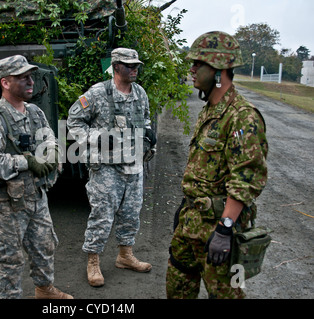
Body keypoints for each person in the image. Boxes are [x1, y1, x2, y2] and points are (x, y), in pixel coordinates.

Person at [165, 31, 268, 299]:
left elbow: (247, 178)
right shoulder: (210, 109)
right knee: (176, 288)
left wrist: (224, 229)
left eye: (199, 63)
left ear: (220, 69)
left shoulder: (242, 116)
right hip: (190, 224)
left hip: (219, 235)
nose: (192, 69)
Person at [0, 55, 72, 299]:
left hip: (37, 197)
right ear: (5, 82)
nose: (30, 81)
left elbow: (50, 138)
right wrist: (26, 161)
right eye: (23, 77)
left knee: (45, 246)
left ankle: (44, 289)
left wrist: (52, 152)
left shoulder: (35, 112)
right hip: (7, 204)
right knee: (9, 259)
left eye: (31, 76)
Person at [67, 48, 157, 287]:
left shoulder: (140, 92)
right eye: (129, 65)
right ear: (116, 67)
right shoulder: (98, 93)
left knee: (131, 213)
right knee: (102, 215)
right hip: (106, 167)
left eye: (136, 64)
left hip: (134, 165)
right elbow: (73, 121)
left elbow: (145, 118)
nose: (134, 68)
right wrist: (96, 136)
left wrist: (148, 134)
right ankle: (93, 261)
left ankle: (125, 256)